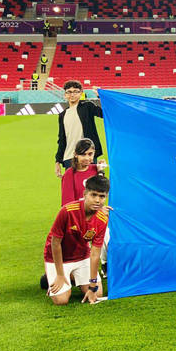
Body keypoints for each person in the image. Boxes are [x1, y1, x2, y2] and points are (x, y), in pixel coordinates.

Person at [43, 175, 110, 306]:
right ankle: (50, 277)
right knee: (61, 300)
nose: (97, 200)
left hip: (81, 256)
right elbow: (55, 243)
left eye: (101, 196)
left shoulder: (102, 220)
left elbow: (95, 253)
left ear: (106, 197)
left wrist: (92, 287)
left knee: (97, 294)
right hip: (57, 257)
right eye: (93, 195)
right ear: (85, 194)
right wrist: (61, 275)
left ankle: (73, 276)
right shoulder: (67, 211)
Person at [55, 80, 104, 177]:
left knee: (90, 187)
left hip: (87, 155)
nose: (72, 94)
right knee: (72, 188)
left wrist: (101, 96)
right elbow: (61, 139)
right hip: (69, 157)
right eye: (69, 92)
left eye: (75, 91)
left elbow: (104, 114)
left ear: (81, 93)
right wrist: (57, 161)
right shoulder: (62, 115)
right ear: (65, 95)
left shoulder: (87, 107)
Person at [61, 138, 107, 205]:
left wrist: (100, 172)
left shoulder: (97, 169)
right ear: (76, 154)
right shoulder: (69, 174)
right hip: (77, 214)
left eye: (90, 154)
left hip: (95, 214)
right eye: (83, 154)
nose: (87, 158)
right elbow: (68, 203)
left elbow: (102, 193)